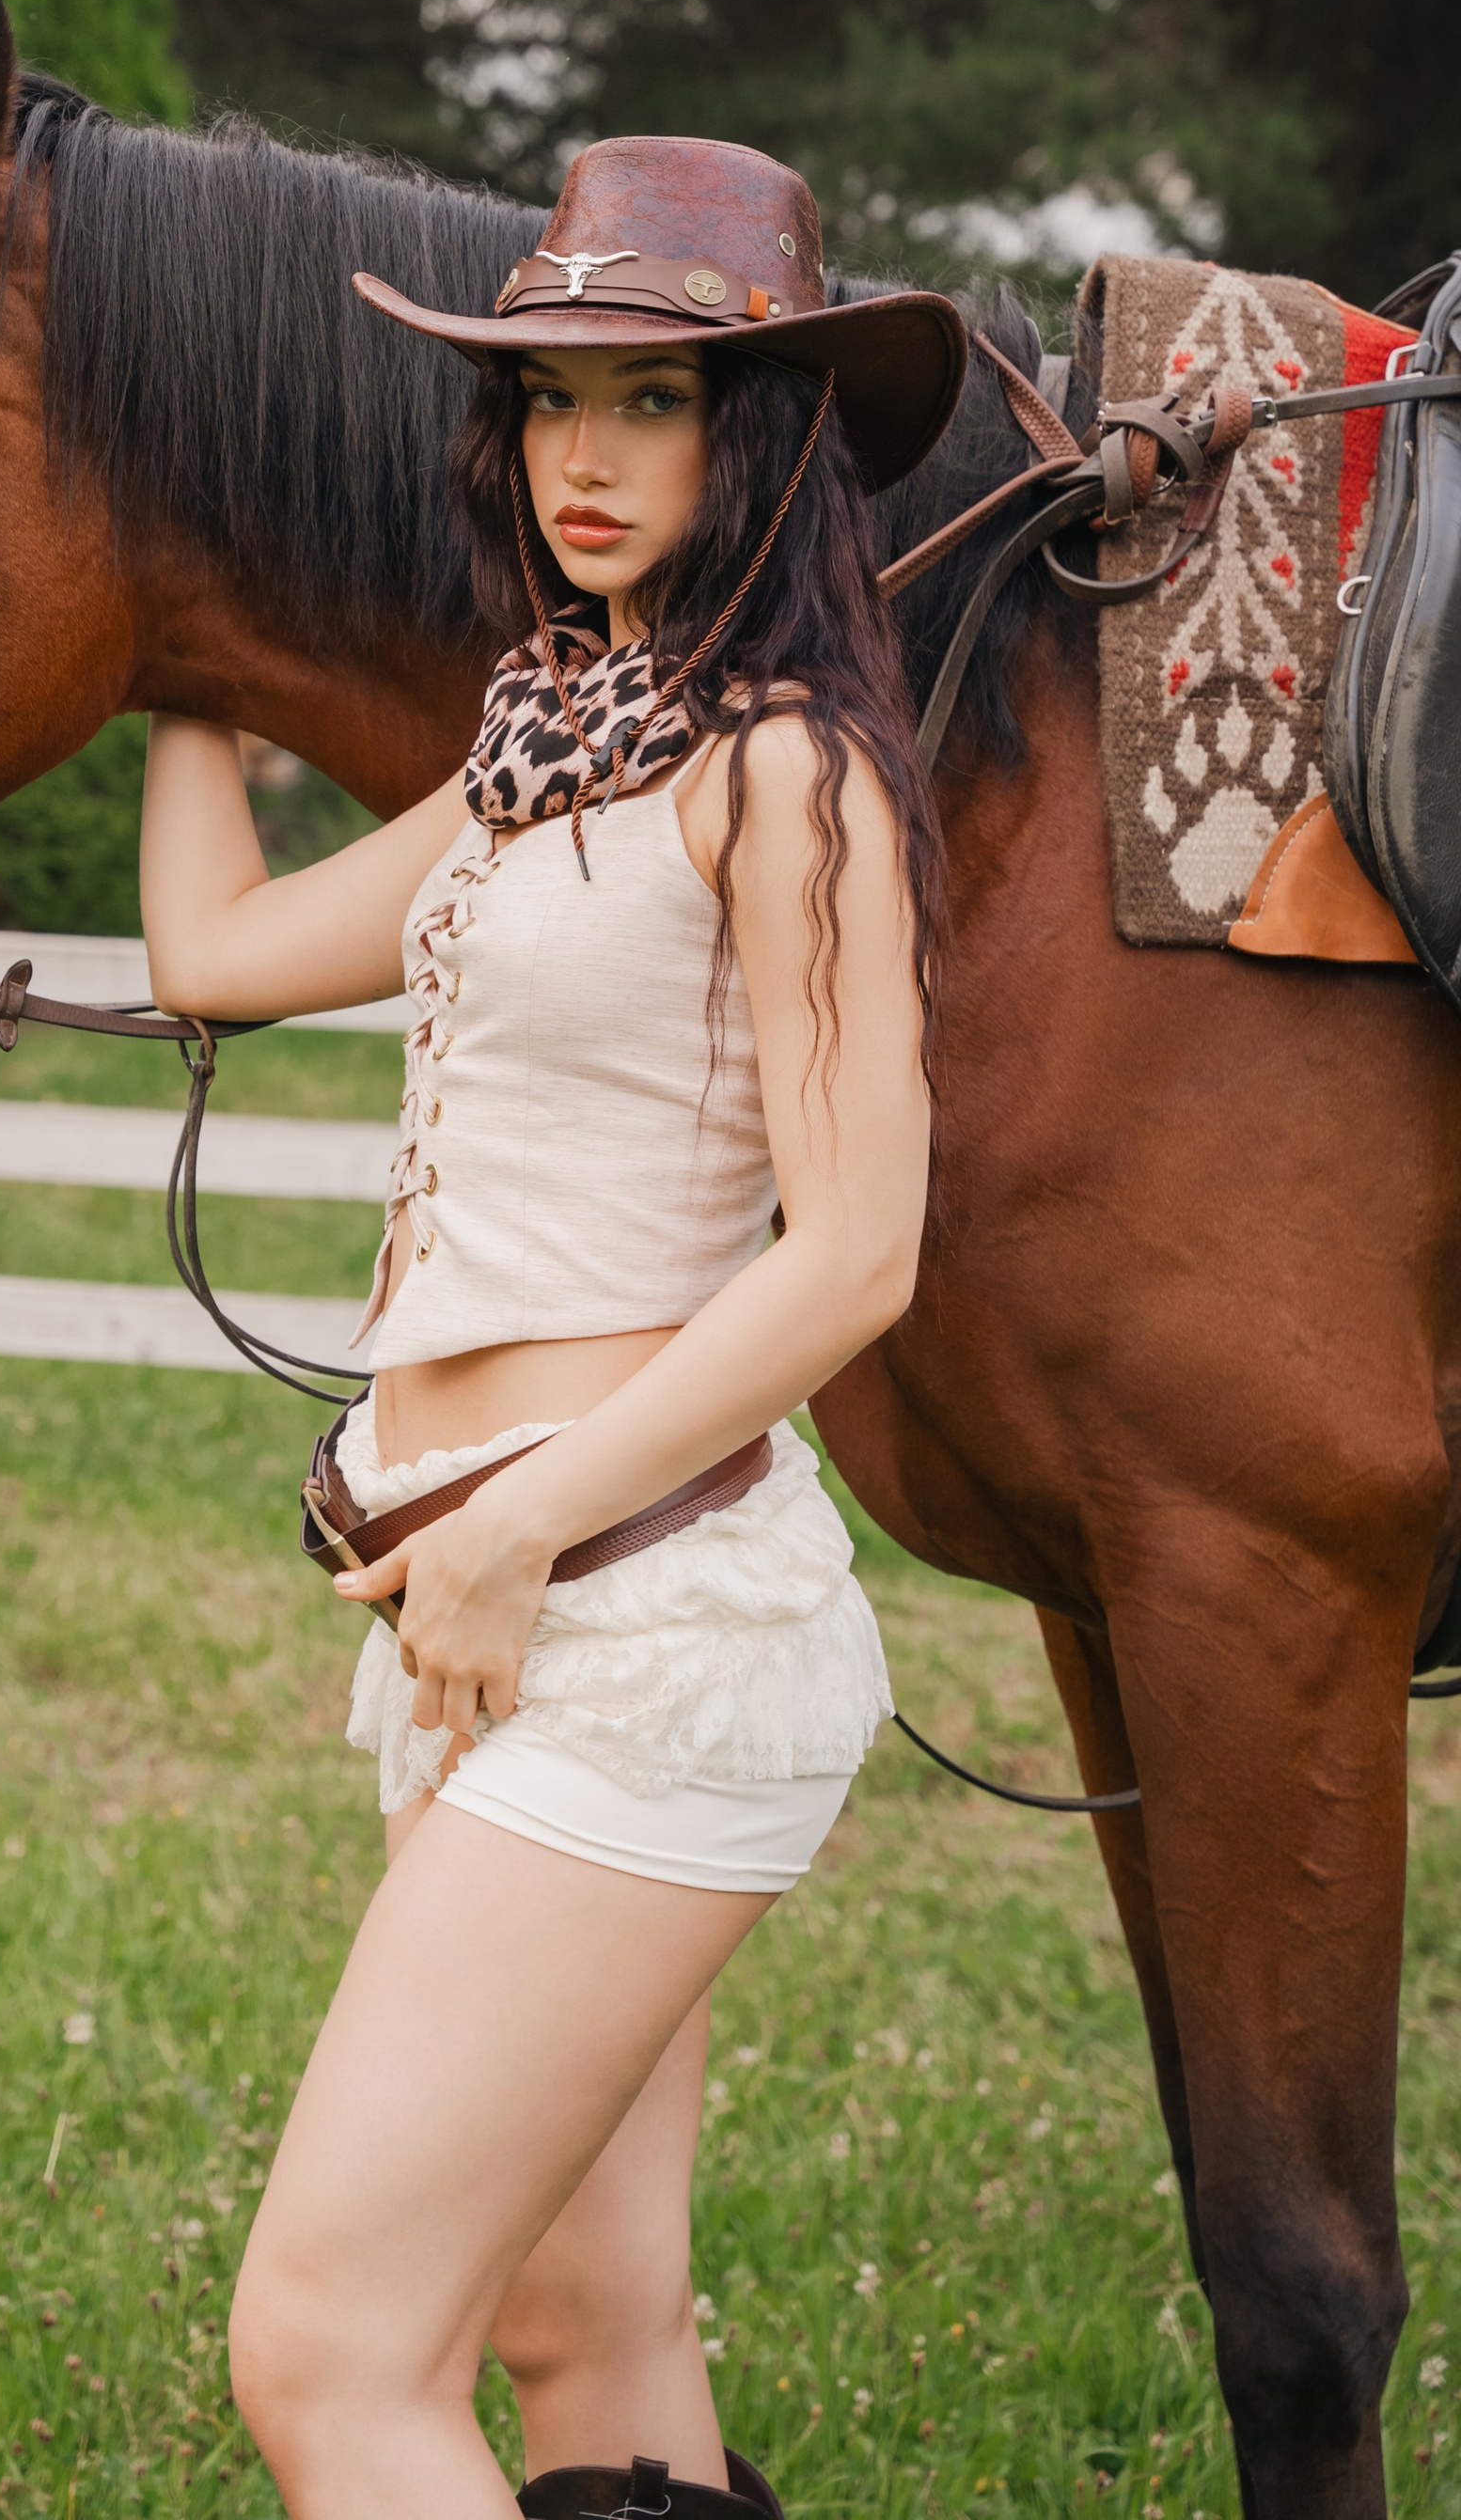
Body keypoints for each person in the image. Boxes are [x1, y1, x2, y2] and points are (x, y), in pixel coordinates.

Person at [138, 138, 967, 2520]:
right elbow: (218, 952)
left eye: (652, 403)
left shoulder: (783, 768)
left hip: (640, 1610)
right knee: (572, 2321)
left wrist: (517, 1533)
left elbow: (856, 1253)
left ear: (763, 439)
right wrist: (186, 659)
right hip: (488, 1618)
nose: (585, 458)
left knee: (324, 2355)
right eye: (546, 405)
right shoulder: (537, 754)